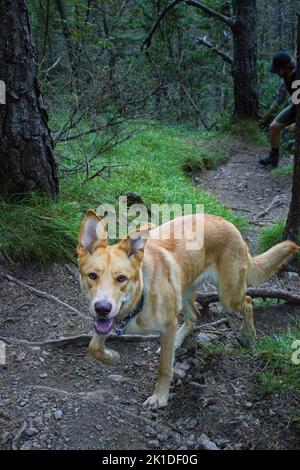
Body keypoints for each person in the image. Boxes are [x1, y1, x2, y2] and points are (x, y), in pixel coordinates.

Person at [258, 52, 296, 168]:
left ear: (285, 68)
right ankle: (273, 157)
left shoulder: (297, 78)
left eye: (278, 70)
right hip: (296, 105)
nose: (276, 73)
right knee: (274, 127)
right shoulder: (287, 76)